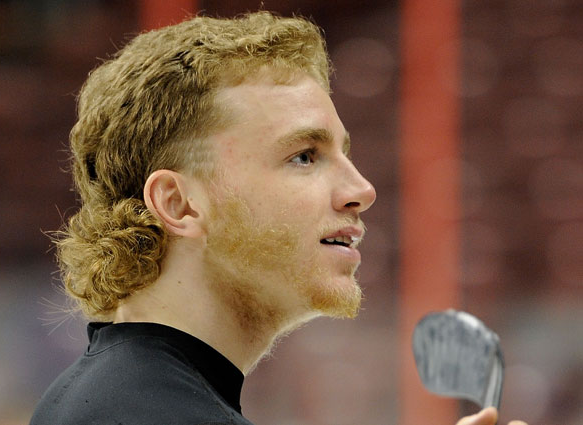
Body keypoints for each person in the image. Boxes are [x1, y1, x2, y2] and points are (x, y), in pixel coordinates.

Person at [30, 11, 527, 425]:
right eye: (304, 156)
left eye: (343, 153)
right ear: (179, 204)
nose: (362, 190)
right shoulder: (149, 413)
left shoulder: (124, 399)